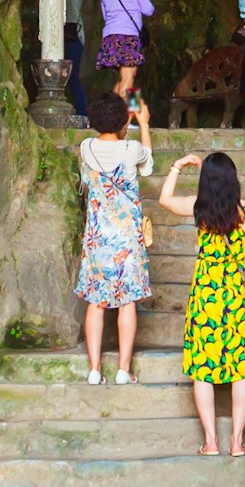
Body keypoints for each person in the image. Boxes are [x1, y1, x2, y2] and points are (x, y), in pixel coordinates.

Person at [157, 148, 245, 456]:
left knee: (203, 368)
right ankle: (237, 442)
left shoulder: (199, 208)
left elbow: (164, 200)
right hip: (234, 294)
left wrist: (178, 166)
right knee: (240, 368)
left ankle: (211, 442)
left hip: (205, 296)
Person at [74, 84, 153, 384]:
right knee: (127, 302)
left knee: (95, 302)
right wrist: (142, 124)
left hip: (97, 238)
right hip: (126, 240)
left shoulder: (86, 147)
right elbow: (147, 168)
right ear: (123, 119)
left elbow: (87, 178)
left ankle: (94, 370)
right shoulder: (131, 149)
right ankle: (123, 369)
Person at [96, 0, 154, 107]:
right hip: (128, 36)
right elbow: (148, 10)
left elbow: (106, 16)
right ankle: (125, 120)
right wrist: (146, 1)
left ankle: (110, 116)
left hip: (110, 38)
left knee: (125, 78)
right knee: (128, 78)